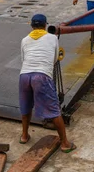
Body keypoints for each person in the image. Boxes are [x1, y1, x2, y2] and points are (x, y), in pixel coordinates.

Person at [19, 14, 76, 153]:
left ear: (31, 26)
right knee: (54, 110)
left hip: (24, 75)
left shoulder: (25, 40)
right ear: (45, 25)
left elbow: (23, 58)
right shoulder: (52, 38)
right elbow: (56, 57)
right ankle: (65, 143)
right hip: (42, 76)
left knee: (26, 106)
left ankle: (24, 136)